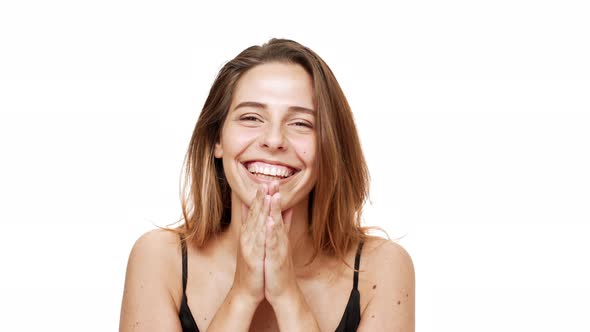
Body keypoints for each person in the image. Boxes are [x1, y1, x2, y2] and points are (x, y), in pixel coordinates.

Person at [119, 38, 415, 332]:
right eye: (251, 117)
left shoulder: (381, 268)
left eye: (301, 123)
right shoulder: (158, 259)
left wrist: (288, 298)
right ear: (217, 139)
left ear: (329, 147)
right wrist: (242, 296)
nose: (273, 140)